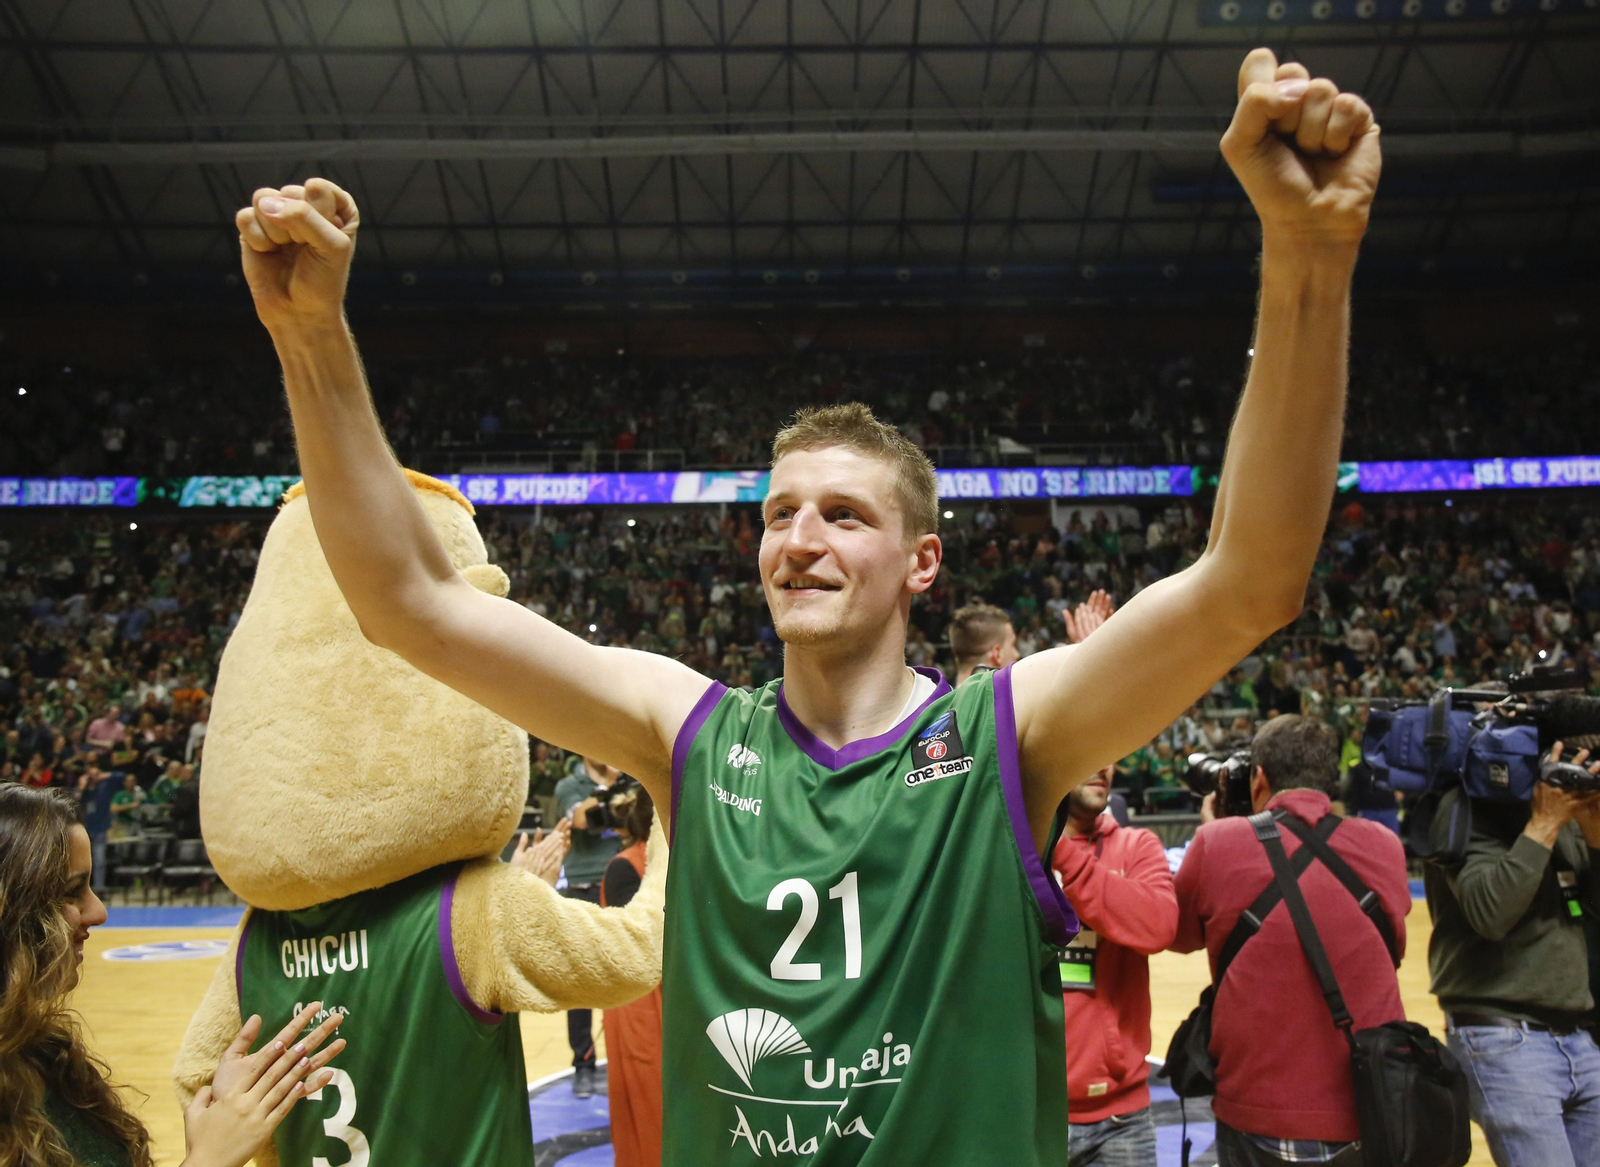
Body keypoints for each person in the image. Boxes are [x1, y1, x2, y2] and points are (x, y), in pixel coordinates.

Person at [235, 47, 1378, 1164]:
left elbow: (1252, 578)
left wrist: (1307, 255)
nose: (798, 539)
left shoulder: (1005, 737)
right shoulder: (683, 730)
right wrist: (307, 336)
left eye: (843, 514)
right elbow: (410, 603)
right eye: (780, 513)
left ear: (921, 564)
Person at [0, 784, 345, 1167]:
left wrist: (216, 1128)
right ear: (9, 908)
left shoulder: (45, 1052)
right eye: (72, 891)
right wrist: (210, 1158)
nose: (98, 912)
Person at [1174, 715, 1410, 1165]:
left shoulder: (1217, 841)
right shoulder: (1383, 843)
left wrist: (1221, 828)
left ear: (1258, 777)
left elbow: (1180, 936)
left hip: (1258, 1104)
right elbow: (1392, 949)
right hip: (1372, 1101)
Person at [1423, 743, 1600, 1167]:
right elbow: (1491, 913)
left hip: (1579, 1035)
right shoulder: (1462, 809)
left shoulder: (1565, 814)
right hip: (1504, 1038)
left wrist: (1593, 831)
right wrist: (1543, 825)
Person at [1052, 764, 1178, 1165]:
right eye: (1091, 748)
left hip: (1121, 1117)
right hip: (1031, 1110)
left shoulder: (1136, 845)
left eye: (1111, 753)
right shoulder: (1012, 849)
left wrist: (1060, 853)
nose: (1103, 764)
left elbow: (1158, 926)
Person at [599, 780, 665, 1167]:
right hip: (640, 1006)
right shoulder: (625, 866)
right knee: (647, 1117)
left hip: (670, 1002)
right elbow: (641, 944)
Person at [553, 755, 626, 1098]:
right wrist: (609, 786)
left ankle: (628, 1056)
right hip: (582, 887)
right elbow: (581, 818)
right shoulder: (570, 785)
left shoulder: (626, 775)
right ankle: (583, 1063)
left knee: (630, 974)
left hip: (623, 882)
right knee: (579, 979)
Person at [947, 603, 1017, 683]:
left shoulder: (938, 694)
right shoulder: (1018, 694)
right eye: (1013, 645)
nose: (1016, 654)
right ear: (997, 653)